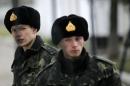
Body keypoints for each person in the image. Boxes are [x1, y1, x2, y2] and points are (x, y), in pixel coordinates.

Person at [35, 14, 121, 86]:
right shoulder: (45, 76)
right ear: (59, 43)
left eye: (78, 39)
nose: (74, 44)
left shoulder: (106, 71)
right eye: (68, 40)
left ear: (84, 40)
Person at [4, 6, 57, 86]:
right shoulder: (19, 54)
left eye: (22, 28)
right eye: (14, 30)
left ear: (34, 30)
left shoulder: (52, 56)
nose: (18, 34)